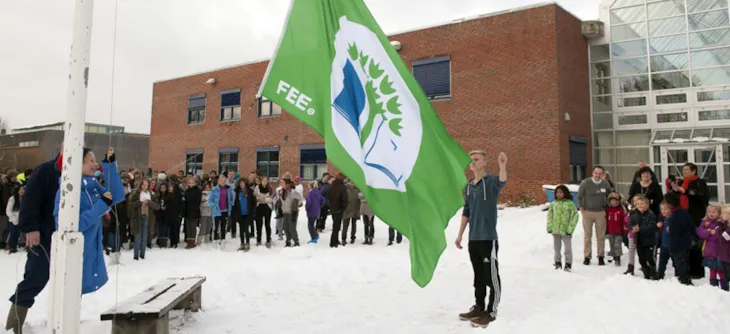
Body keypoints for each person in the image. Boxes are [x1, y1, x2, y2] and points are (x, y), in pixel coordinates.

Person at [5, 147, 62, 333]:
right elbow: (30, 199)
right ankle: (13, 324)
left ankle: (62, 320)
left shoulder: (78, 174)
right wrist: (30, 228)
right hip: (42, 234)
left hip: (63, 236)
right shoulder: (46, 171)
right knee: (36, 276)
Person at [54, 148, 125, 294]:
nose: (95, 164)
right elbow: (70, 226)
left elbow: (116, 195)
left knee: (76, 295)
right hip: (75, 252)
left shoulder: (93, 187)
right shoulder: (67, 191)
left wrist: (110, 165)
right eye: (91, 160)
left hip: (90, 250)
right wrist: (101, 205)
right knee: (69, 294)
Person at [456, 150, 507, 328]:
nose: (473, 163)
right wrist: (460, 234)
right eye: (471, 161)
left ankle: (491, 310)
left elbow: (502, 180)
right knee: (478, 276)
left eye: (476, 160)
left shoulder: (491, 181)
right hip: (473, 238)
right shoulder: (469, 186)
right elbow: (466, 211)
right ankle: (479, 306)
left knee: (490, 275)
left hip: (488, 238)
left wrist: (502, 165)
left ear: (484, 162)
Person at [671, 162, 709, 279]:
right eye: (684, 170)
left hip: (694, 216)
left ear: (694, 171)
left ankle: (696, 271)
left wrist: (686, 192)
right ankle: (683, 269)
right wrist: (674, 190)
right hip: (681, 215)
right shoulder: (682, 182)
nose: (684, 172)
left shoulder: (699, 182)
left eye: (687, 170)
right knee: (682, 243)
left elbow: (702, 197)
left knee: (695, 244)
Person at [577, 166, 612, 266]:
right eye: (596, 173)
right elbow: (579, 196)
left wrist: (608, 207)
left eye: (600, 174)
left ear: (603, 175)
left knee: (600, 236)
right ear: (592, 173)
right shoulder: (585, 183)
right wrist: (581, 209)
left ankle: (600, 256)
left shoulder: (605, 183)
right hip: (587, 212)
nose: (597, 175)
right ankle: (587, 256)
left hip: (600, 212)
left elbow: (610, 196)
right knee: (587, 236)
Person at [658, 193, 695, 285]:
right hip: (680, 243)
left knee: (680, 263)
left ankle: (684, 280)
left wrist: (672, 247)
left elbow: (674, 234)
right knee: (680, 262)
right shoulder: (681, 213)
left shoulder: (675, 216)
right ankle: (681, 278)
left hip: (678, 244)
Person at [546, 184, 578, 272]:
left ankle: (568, 264)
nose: (559, 194)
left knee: (567, 248)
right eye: (557, 192)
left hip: (566, 231)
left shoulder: (570, 204)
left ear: (565, 193)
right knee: (556, 248)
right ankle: (557, 263)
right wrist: (549, 226)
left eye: (561, 192)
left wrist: (570, 229)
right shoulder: (553, 204)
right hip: (555, 230)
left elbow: (575, 216)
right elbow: (550, 216)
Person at [629, 195, 659, 280]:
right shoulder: (634, 215)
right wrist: (632, 228)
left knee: (649, 258)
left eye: (642, 203)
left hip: (649, 240)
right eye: (638, 204)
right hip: (638, 240)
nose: (639, 205)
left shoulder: (651, 215)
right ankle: (646, 273)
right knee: (641, 259)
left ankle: (653, 272)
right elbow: (629, 224)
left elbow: (652, 227)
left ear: (647, 205)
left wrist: (640, 229)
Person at [697, 203, 726, 290]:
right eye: (709, 212)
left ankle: (724, 287)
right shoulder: (705, 222)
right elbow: (700, 233)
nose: (711, 214)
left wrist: (717, 233)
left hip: (720, 252)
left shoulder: (722, 223)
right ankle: (713, 288)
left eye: (714, 212)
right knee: (712, 270)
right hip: (710, 251)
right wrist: (709, 231)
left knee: (721, 271)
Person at [129, 179, 160, 260]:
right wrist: (140, 202)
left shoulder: (151, 194)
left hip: (147, 218)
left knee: (145, 237)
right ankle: (136, 256)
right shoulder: (136, 193)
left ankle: (142, 254)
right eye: (143, 185)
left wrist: (149, 202)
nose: (145, 186)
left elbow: (157, 206)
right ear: (141, 185)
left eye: (146, 185)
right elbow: (131, 205)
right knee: (137, 237)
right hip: (137, 218)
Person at [275, 179, 303, 247]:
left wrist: (296, 205)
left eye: (282, 183)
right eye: (281, 183)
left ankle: (296, 242)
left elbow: (300, 198)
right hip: (285, 212)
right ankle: (288, 240)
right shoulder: (281, 192)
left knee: (292, 228)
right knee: (285, 227)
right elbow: (281, 200)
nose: (281, 184)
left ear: (287, 184)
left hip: (292, 212)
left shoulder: (293, 192)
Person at [233, 178, 256, 251]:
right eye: (240, 183)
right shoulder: (237, 192)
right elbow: (236, 204)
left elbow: (254, 203)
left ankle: (247, 243)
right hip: (240, 214)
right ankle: (242, 243)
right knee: (241, 229)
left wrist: (252, 213)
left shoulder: (250, 192)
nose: (241, 184)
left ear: (246, 183)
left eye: (243, 183)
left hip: (248, 214)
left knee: (246, 229)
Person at [209, 175, 233, 241]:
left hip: (225, 210)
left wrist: (230, 204)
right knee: (215, 227)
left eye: (224, 181)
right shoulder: (214, 189)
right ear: (218, 181)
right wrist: (214, 206)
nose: (223, 182)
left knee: (223, 227)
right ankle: (214, 240)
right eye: (221, 180)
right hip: (217, 211)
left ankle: (223, 240)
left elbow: (231, 198)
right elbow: (210, 200)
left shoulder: (228, 189)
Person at [327, 173, 348, 248]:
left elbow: (328, 196)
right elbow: (344, 199)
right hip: (339, 209)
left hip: (333, 208)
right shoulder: (342, 187)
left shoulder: (332, 186)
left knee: (335, 225)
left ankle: (335, 240)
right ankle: (333, 242)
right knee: (337, 227)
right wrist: (343, 207)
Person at [605, 192, 626, 266]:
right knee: (612, 244)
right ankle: (613, 255)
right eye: (612, 201)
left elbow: (624, 220)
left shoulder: (620, 210)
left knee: (618, 245)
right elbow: (606, 221)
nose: (614, 203)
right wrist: (606, 231)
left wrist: (624, 230)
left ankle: (618, 258)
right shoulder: (608, 210)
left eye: (616, 201)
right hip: (611, 231)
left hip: (619, 232)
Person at [182, 177, 202, 249]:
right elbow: (185, 201)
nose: (191, 184)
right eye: (189, 182)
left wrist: (195, 209)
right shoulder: (187, 191)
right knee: (188, 227)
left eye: (192, 182)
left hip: (195, 211)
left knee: (193, 227)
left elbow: (198, 202)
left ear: (195, 183)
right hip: (187, 211)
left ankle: (192, 242)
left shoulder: (198, 191)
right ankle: (189, 242)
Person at [254, 177, 274, 248]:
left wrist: (266, 200)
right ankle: (258, 240)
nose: (264, 181)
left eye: (266, 180)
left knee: (267, 224)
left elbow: (273, 197)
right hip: (259, 207)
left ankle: (268, 240)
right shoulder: (257, 187)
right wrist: (259, 199)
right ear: (261, 181)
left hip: (267, 207)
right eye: (263, 180)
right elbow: (254, 195)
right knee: (259, 224)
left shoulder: (270, 188)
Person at [5, 184, 24, 254]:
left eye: (23, 189)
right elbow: (8, 211)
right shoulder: (12, 199)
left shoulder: (24, 199)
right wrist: (13, 219)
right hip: (12, 220)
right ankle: (11, 247)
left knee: (18, 234)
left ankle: (15, 246)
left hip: (20, 220)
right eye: (20, 189)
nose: (22, 191)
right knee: (13, 233)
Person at [342, 180, 361, 245]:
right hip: (347, 209)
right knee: (345, 225)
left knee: (353, 224)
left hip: (355, 208)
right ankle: (344, 238)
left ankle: (352, 237)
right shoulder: (345, 188)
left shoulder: (358, 189)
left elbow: (360, 198)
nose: (352, 183)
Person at [717, 205, 730, 291]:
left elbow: (725, 238)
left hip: (728, 255)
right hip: (723, 255)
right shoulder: (722, 225)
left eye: (723, 213)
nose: (721, 215)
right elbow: (719, 236)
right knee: (725, 273)